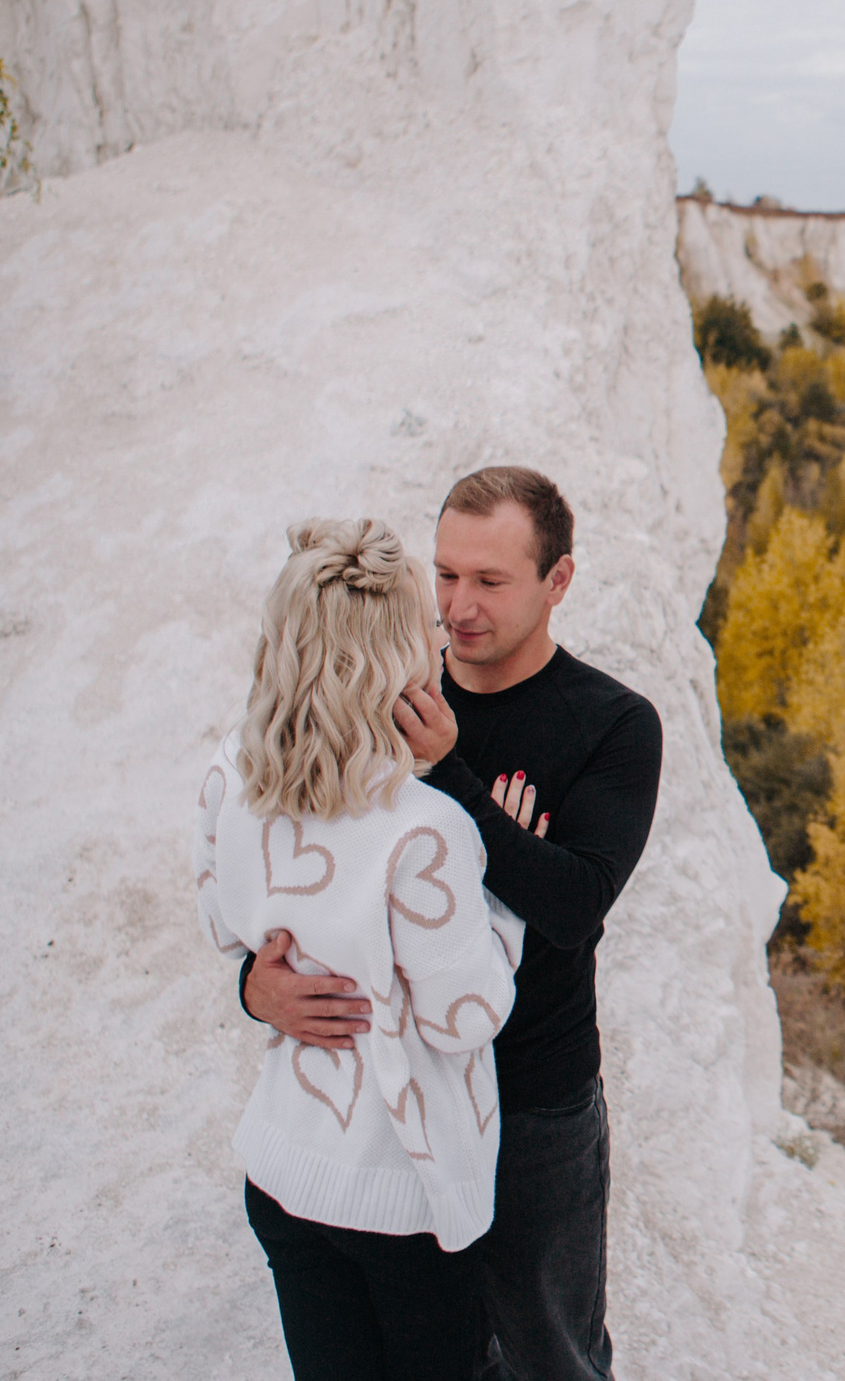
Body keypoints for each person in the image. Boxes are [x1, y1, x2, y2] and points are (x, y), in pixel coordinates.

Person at [243, 467, 665, 1381]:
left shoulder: (615, 724)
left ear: (558, 582)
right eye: (444, 575)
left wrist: (454, 778)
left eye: (490, 581)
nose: (457, 606)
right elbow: (288, 866)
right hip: (399, 1102)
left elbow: (572, 905)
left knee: (549, 1350)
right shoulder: (384, 687)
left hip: (532, 1102)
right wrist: (250, 984)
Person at [197, 519, 525, 1380]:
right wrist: (506, 902)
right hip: (400, 1192)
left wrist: (260, 988)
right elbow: (467, 1015)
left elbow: (225, 927)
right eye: (424, 624)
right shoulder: (425, 829)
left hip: (282, 1164)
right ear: (388, 659)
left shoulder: (233, 773)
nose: (441, 634)